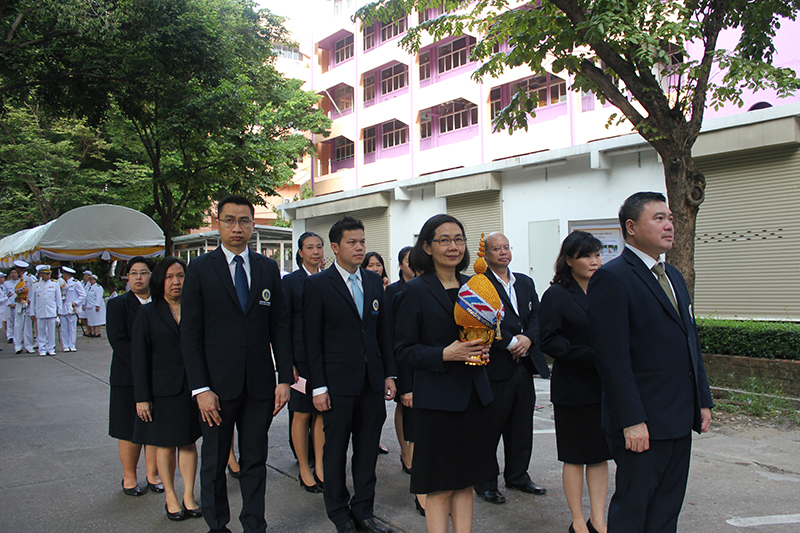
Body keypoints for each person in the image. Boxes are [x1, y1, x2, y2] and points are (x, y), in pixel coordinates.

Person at [587, 192, 713, 533]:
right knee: (634, 510)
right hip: (641, 421)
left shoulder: (673, 276)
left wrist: (702, 400)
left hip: (677, 416)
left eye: (669, 218)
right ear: (631, 227)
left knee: (666, 511)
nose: (669, 225)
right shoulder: (613, 278)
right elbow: (611, 358)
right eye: (658, 218)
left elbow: (690, 341)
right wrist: (631, 420)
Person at [181, 194, 292, 533]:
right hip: (216, 387)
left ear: (253, 224)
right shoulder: (200, 269)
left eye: (244, 221)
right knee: (214, 461)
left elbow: (279, 326)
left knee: (255, 460)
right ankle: (217, 525)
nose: (237, 228)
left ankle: (254, 524)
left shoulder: (266, 268)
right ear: (218, 224)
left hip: (259, 385)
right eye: (229, 220)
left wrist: (284, 378)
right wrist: (200, 388)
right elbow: (190, 334)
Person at [394, 214, 494, 533]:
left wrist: (484, 348)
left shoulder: (474, 285)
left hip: (475, 396)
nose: (454, 246)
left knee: (465, 483)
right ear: (427, 246)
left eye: (459, 239)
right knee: (439, 486)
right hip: (438, 402)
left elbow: (484, 331)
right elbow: (403, 350)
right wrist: (443, 354)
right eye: (444, 240)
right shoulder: (415, 290)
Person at [303, 216, 397, 533]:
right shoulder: (318, 285)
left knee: (367, 451)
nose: (359, 248)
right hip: (337, 384)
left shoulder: (372, 281)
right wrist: (318, 387)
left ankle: (363, 511)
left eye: (362, 241)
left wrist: (389, 374)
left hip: (371, 382)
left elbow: (382, 332)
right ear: (335, 247)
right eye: (352, 242)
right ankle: (339, 514)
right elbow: (312, 341)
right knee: (335, 452)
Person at [540, 231, 610, 533]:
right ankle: (578, 521)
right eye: (586, 256)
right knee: (574, 457)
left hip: (603, 387)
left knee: (599, 456)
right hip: (573, 388)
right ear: (569, 260)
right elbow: (549, 340)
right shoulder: (556, 295)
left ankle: (599, 518)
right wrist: (591, 356)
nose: (594, 261)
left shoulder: (605, 290)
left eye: (597, 255)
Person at [474, 232, 550, 504]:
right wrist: (509, 342)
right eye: (497, 248)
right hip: (495, 365)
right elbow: (479, 320)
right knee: (490, 427)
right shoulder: (479, 284)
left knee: (521, 424)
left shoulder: (525, 282)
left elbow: (537, 315)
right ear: (486, 254)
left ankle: (518, 475)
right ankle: (485, 482)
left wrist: (528, 338)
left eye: (506, 247)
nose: (503, 252)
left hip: (524, 364)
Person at [131, 257, 202, 522]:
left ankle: (189, 496)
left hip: (192, 388)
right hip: (162, 391)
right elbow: (139, 358)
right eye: (170, 277)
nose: (176, 282)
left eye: (181, 276)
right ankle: (171, 496)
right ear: (161, 280)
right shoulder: (148, 313)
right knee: (165, 445)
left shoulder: (196, 309)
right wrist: (142, 398)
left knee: (188, 442)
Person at [106, 256, 162, 497]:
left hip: (158, 376)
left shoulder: (160, 303)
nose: (139, 277)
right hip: (127, 376)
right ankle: (129, 476)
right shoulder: (118, 305)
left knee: (154, 427)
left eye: (144, 272)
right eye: (134, 273)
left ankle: (153, 474)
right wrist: (144, 365)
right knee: (128, 427)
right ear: (127, 277)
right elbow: (118, 340)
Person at [282, 231, 326, 493]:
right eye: (310, 247)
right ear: (300, 252)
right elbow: (284, 323)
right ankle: (304, 469)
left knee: (321, 412)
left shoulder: (327, 278)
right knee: (301, 413)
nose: (315, 252)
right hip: (299, 359)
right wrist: (288, 362)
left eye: (319, 247)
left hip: (323, 357)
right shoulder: (290, 282)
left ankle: (320, 466)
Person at [384, 247, 417, 483]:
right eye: (408, 261)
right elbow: (388, 328)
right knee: (403, 405)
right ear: (400, 265)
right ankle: (405, 453)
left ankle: (416, 453)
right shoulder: (393, 290)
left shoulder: (425, 286)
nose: (412, 265)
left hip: (420, 355)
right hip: (401, 354)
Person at [29, 265, 62, 356]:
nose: (48, 276)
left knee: (51, 331)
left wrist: (59, 310)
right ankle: (42, 348)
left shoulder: (54, 284)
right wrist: (32, 312)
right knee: (41, 331)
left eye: (49, 274)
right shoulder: (36, 285)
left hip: (51, 310)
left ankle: (51, 348)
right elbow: (33, 300)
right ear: (41, 275)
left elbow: (58, 298)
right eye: (46, 274)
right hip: (40, 310)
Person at [59, 266, 86, 352]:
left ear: (66, 275)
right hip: (63, 308)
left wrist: (76, 302)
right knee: (64, 328)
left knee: (72, 328)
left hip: (71, 309)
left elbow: (83, 294)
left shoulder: (75, 283)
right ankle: (65, 345)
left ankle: (72, 344)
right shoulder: (61, 283)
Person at [11, 260, 35, 354]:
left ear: (19, 269)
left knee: (27, 327)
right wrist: (16, 298)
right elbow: (15, 292)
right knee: (17, 326)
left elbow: (34, 290)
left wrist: (30, 300)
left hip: (27, 305)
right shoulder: (18, 280)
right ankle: (17, 346)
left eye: (17, 269)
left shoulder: (30, 278)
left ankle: (28, 346)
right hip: (19, 305)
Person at [79, 270, 91, 336]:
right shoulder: (81, 283)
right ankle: (88, 328)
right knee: (82, 317)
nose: (84, 277)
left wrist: (84, 304)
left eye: (86, 276)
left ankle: (89, 329)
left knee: (87, 318)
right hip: (81, 303)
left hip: (87, 303)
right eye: (84, 276)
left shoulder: (90, 285)